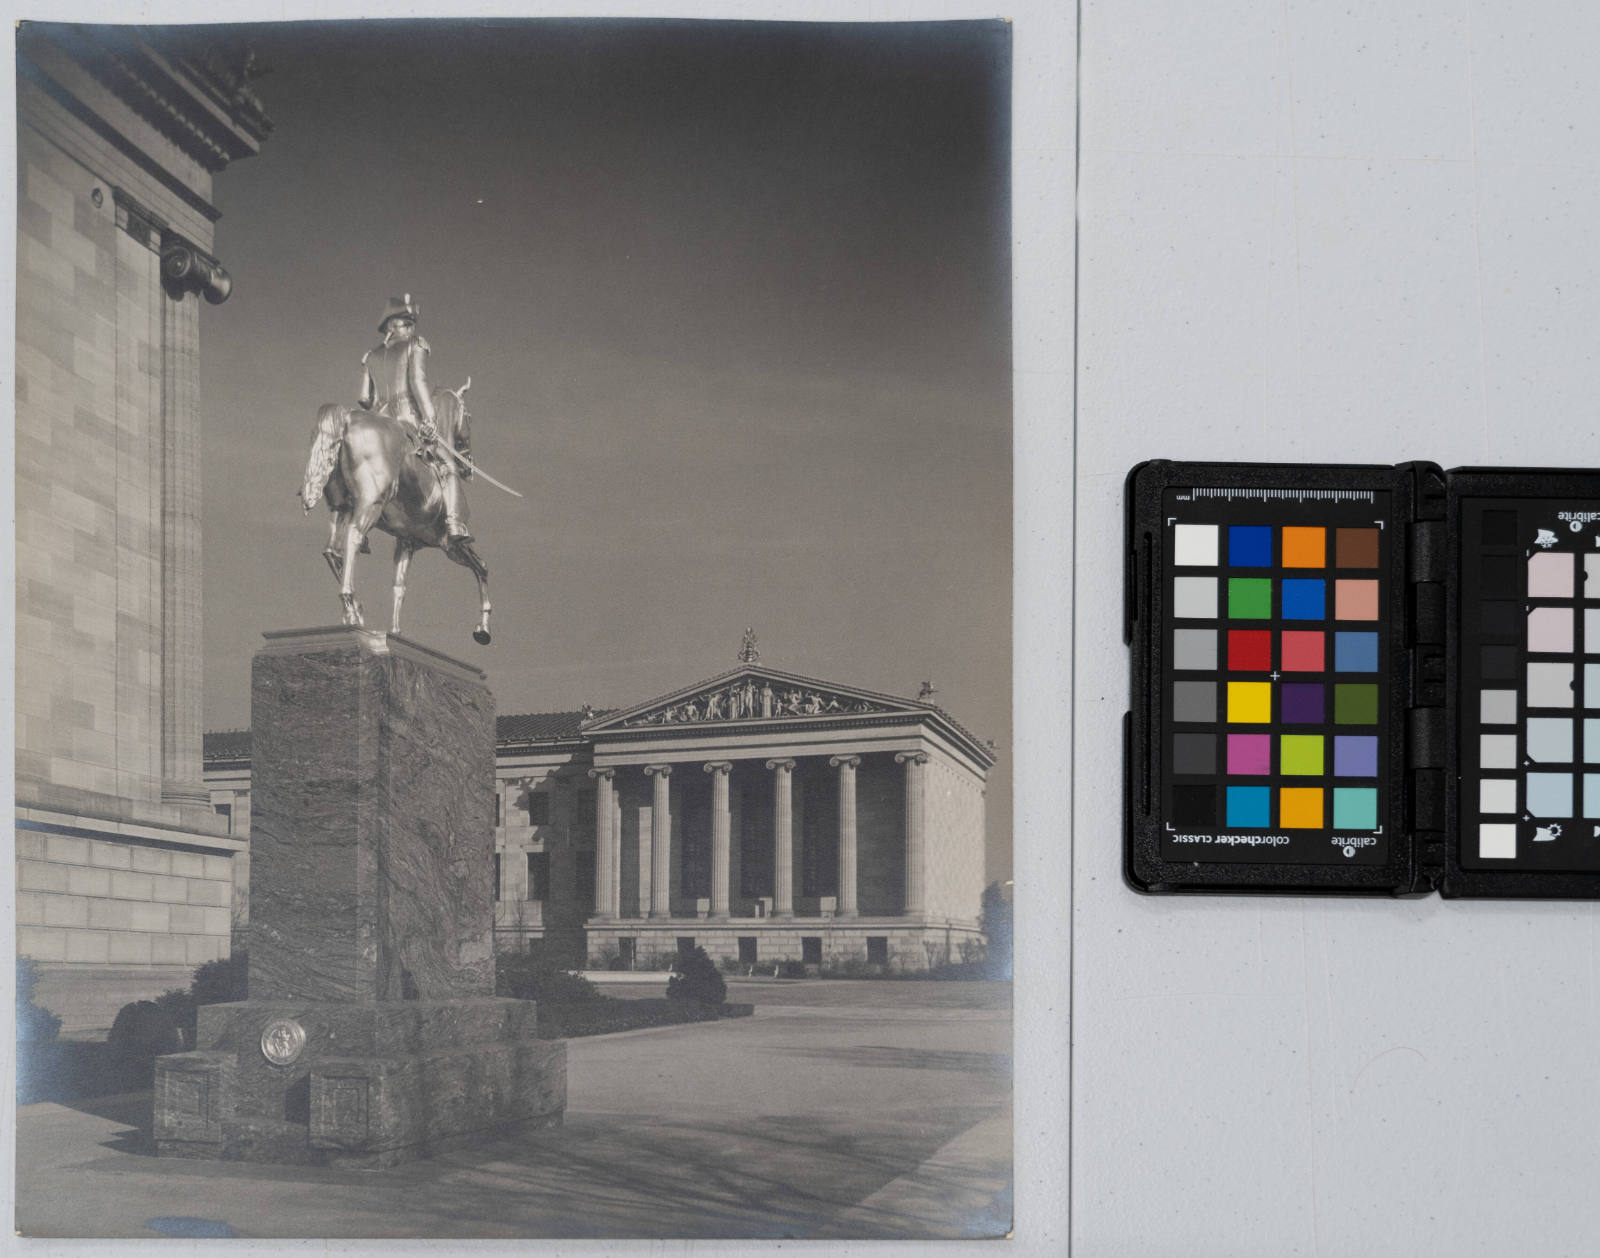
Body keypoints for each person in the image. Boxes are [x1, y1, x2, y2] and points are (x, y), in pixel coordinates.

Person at [359, 294, 472, 544]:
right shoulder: (416, 345)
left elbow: (364, 399)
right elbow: (418, 383)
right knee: (449, 466)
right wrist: (430, 420)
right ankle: (454, 523)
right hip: (407, 420)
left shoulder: (370, 356)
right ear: (391, 325)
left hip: (378, 423)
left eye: (412, 324)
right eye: (406, 323)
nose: (411, 328)